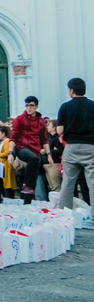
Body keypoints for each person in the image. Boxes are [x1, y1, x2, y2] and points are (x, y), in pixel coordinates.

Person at [57, 78, 94, 220]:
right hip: (90, 147)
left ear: (71, 90)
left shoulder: (65, 106)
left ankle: (63, 215)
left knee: (68, 182)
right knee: (92, 183)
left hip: (71, 146)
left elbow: (60, 130)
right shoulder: (92, 105)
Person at [10, 95, 50, 202]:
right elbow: (13, 137)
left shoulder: (41, 121)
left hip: (35, 152)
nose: (28, 108)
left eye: (31, 105)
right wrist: (10, 152)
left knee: (32, 181)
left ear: (37, 107)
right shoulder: (19, 119)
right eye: (27, 105)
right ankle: (26, 187)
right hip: (21, 148)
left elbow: (44, 139)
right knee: (33, 160)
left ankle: (26, 201)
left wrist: (49, 154)